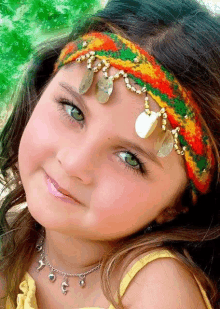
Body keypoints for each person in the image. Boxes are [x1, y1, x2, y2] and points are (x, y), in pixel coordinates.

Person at [0, 0, 219, 308]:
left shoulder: (156, 288)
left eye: (130, 158)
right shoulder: (14, 238)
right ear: (43, 88)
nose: (75, 163)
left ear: (177, 204)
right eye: (73, 111)